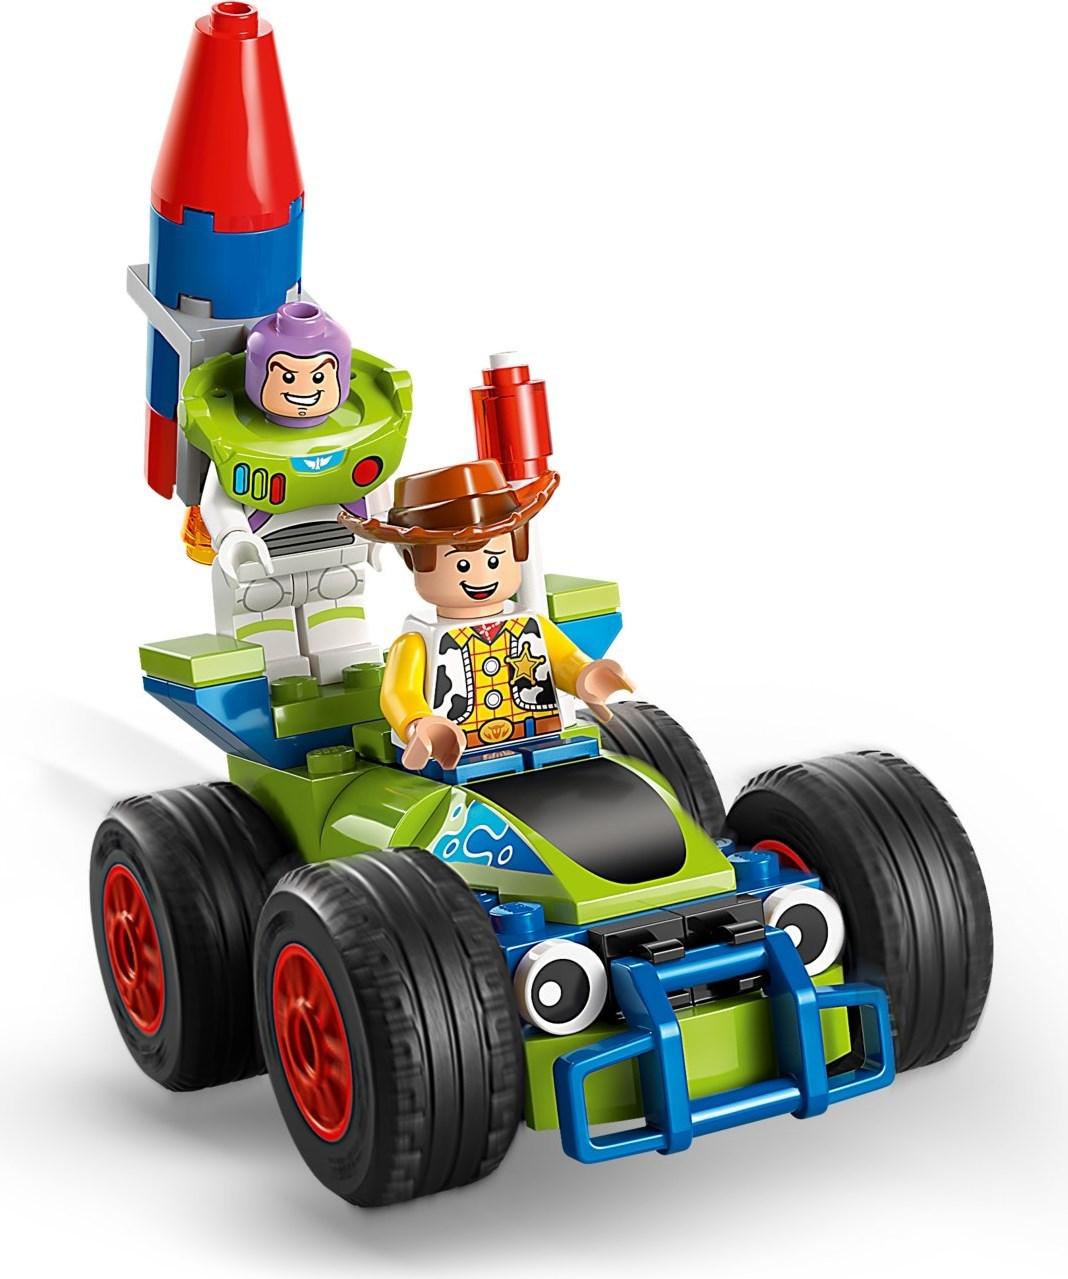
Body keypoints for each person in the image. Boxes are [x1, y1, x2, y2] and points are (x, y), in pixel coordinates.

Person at [340, 459, 634, 781]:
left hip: (538, 735)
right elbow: (398, 693)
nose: (480, 577)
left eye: (494, 560)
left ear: (517, 549)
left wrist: (584, 676)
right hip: (454, 752)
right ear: (414, 562)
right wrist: (418, 723)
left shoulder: (529, 624)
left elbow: (562, 659)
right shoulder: (416, 640)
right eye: (462, 565)